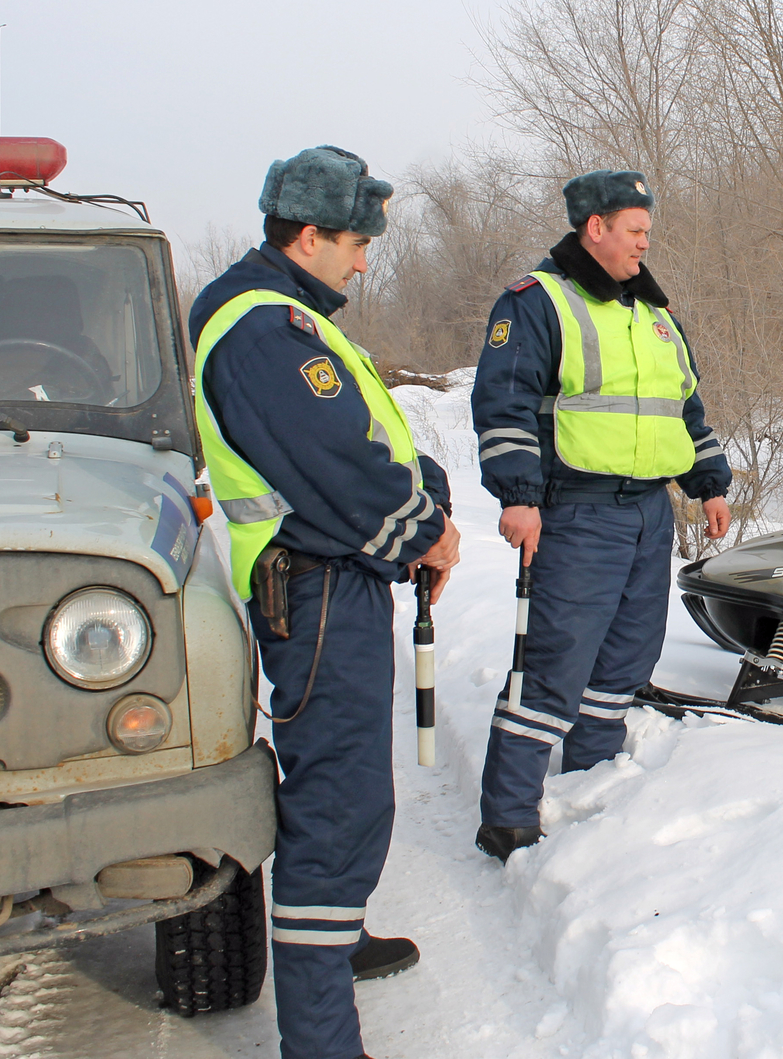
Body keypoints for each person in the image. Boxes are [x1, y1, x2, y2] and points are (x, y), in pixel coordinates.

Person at [189, 145, 461, 1059]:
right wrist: (424, 531)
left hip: (334, 585)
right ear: (308, 236)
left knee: (350, 790)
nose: (363, 260)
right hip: (312, 592)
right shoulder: (264, 329)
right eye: (354, 242)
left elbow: (364, 430)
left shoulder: (294, 318)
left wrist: (426, 489)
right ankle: (319, 1039)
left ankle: (334, 939)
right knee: (336, 804)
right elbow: (336, 464)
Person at [471, 170, 732, 861]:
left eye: (648, 231)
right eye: (635, 230)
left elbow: (685, 409)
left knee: (626, 658)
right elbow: (504, 405)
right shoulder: (537, 302)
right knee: (555, 660)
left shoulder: (655, 314)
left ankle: (591, 785)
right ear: (596, 228)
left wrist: (709, 484)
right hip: (577, 513)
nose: (646, 243)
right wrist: (519, 496)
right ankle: (509, 815)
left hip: (650, 512)